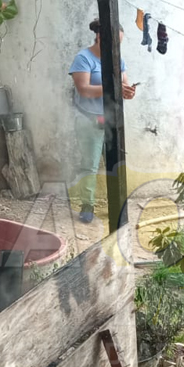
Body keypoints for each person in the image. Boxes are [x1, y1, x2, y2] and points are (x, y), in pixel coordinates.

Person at [69, 20, 136, 224]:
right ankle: (87, 206)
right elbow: (84, 89)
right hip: (89, 119)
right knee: (89, 165)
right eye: (114, 42)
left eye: (119, 43)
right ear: (99, 38)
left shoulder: (117, 59)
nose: (116, 47)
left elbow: (123, 84)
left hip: (111, 119)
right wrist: (114, 88)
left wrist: (128, 91)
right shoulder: (83, 58)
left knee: (114, 163)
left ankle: (116, 205)